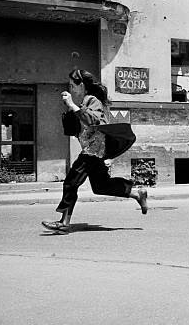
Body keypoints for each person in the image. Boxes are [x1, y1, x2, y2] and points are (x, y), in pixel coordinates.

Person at [41, 69, 148, 234]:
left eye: (72, 85)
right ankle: (136, 194)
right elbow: (80, 128)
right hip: (94, 151)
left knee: (71, 183)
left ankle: (64, 223)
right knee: (101, 186)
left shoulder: (92, 99)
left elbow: (93, 120)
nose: (71, 89)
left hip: (93, 150)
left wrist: (72, 105)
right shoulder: (85, 101)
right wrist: (71, 113)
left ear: (82, 85)